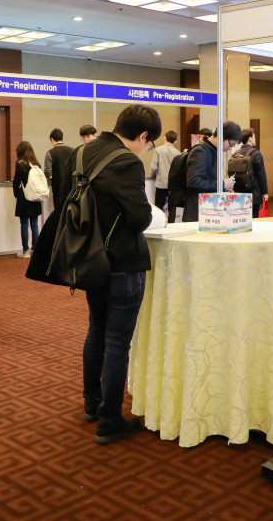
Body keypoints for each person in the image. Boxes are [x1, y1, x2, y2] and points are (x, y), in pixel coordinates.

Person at [59, 105, 160, 444]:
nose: (147, 150)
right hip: (122, 262)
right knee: (117, 342)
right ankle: (109, 421)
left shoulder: (81, 152)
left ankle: (92, 404)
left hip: (88, 259)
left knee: (97, 331)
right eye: (149, 144)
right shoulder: (127, 161)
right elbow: (139, 218)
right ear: (143, 136)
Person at [183, 122, 241, 222]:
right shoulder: (201, 151)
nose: (230, 148)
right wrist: (222, 184)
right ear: (222, 136)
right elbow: (193, 182)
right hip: (198, 213)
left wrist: (224, 186)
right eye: (231, 144)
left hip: (208, 210)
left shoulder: (213, 151)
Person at [12, 141, 43, 258]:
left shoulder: (20, 164)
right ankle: (35, 249)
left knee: (24, 224)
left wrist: (16, 194)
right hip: (35, 197)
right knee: (34, 225)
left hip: (24, 197)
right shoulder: (36, 164)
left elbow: (16, 182)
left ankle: (26, 251)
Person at [234, 128, 269, 218]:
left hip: (238, 193)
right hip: (254, 193)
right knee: (253, 219)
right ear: (249, 139)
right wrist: (264, 192)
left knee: (240, 217)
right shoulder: (256, 154)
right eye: (254, 137)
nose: (255, 139)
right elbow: (261, 175)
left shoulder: (235, 154)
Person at [149, 130, 180, 219]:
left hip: (161, 183)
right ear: (175, 141)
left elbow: (153, 167)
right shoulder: (178, 153)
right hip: (173, 185)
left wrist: (153, 175)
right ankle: (171, 225)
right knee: (172, 208)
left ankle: (159, 223)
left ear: (164, 138)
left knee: (158, 207)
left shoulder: (158, 150)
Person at [44, 128, 75, 213]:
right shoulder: (73, 150)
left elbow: (48, 172)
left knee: (59, 214)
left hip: (58, 188)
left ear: (52, 139)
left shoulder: (50, 153)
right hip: (72, 187)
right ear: (62, 138)